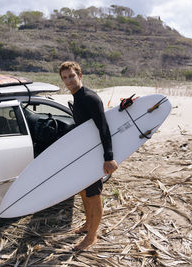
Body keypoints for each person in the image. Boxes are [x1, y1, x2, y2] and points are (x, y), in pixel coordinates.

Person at [59, 61, 118, 251]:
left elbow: (103, 127)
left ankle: (92, 237)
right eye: (65, 77)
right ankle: (87, 224)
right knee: (85, 191)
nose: (68, 80)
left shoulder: (90, 98)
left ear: (80, 75)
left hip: (95, 154)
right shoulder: (77, 98)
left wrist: (108, 157)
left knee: (94, 195)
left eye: (71, 76)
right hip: (85, 153)